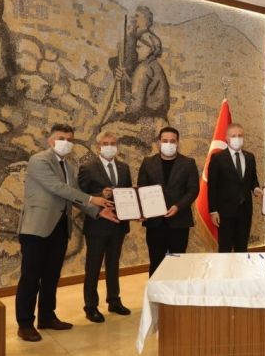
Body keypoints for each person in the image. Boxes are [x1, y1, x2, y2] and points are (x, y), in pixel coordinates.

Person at [15, 124, 113, 342]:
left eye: (70, 139)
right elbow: (58, 188)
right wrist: (92, 199)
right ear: (50, 140)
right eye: (61, 138)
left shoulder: (69, 166)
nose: (66, 143)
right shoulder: (39, 160)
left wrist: (97, 211)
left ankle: (47, 317)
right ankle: (25, 324)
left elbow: (74, 195)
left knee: (51, 275)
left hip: (60, 228)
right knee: (31, 277)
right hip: (37, 228)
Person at [77, 131, 132, 323]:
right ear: (98, 146)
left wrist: (136, 211)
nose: (110, 147)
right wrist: (101, 194)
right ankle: (91, 306)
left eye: (113, 143)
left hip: (118, 224)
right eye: (106, 143)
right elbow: (80, 196)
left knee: (113, 264)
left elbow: (129, 194)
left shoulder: (124, 167)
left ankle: (114, 300)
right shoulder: (88, 167)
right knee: (93, 267)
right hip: (97, 225)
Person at [137, 127, 199, 276]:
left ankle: (175, 291)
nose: (168, 144)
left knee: (177, 263)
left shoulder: (188, 163)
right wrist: (141, 211)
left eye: (172, 141)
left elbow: (193, 190)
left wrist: (178, 206)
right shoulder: (148, 163)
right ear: (159, 142)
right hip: (154, 223)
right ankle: (155, 291)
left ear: (177, 142)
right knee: (156, 262)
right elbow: (141, 189)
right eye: (165, 141)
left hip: (179, 221)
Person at [208, 123, 262, 252]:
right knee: (225, 249)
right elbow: (212, 186)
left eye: (240, 135)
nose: (237, 138)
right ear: (227, 138)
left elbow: (253, 179)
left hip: (245, 211)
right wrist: (213, 211)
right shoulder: (217, 158)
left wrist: (256, 188)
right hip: (225, 212)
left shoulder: (250, 157)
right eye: (233, 136)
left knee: (242, 248)